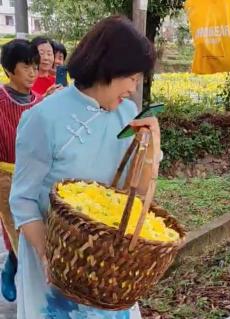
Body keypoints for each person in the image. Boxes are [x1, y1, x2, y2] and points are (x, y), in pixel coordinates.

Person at [10, 16, 159, 319]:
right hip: (56, 261)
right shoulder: (44, 119)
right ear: (109, 68)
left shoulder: (127, 114)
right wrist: (50, 257)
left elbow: (138, 194)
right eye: (131, 77)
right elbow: (22, 201)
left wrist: (152, 145)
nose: (133, 88)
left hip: (106, 263)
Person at [0, 39, 42, 302]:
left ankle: (12, 266)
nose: (32, 73)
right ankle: (16, 272)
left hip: (36, 175)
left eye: (35, 66)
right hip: (5, 176)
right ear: (8, 69)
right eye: (26, 66)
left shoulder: (40, 102)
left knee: (37, 231)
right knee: (16, 231)